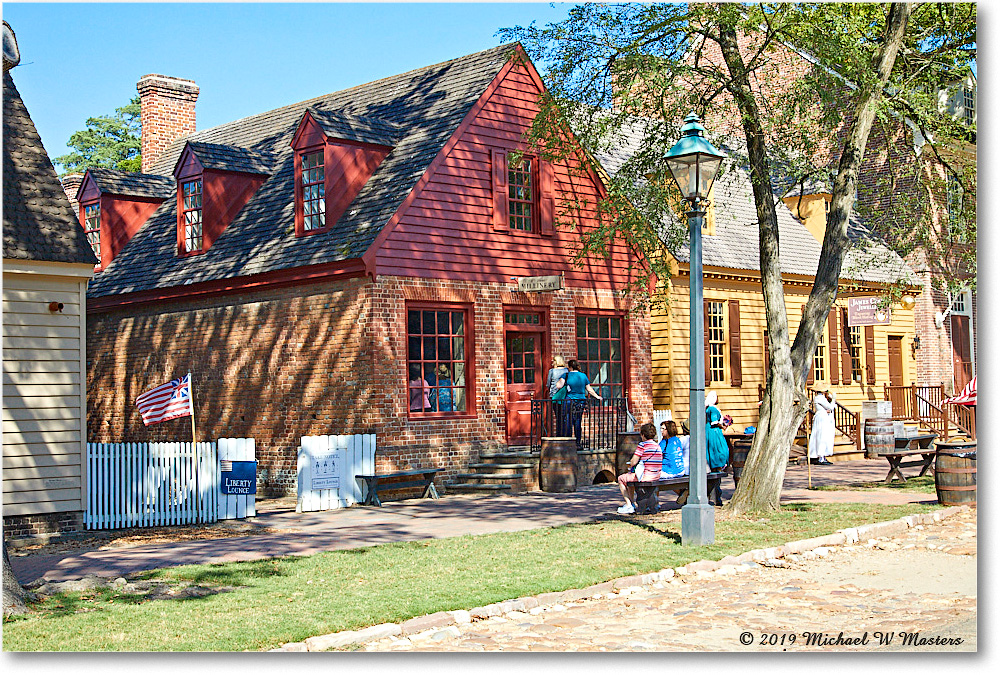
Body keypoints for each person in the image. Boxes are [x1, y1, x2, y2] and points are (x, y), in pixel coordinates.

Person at [617, 422, 662, 514]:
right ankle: (633, 503)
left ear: (643, 434)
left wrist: (631, 464)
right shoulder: (657, 446)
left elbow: (633, 462)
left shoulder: (642, 445)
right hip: (656, 475)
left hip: (645, 476)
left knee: (621, 479)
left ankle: (629, 504)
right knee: (630, 478)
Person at [556, 359, 602, 449]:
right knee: (578, 422)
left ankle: (569, 442)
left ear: (569, 367)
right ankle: (577, 443)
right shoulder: (583, 376)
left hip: (569, 401)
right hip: (581, 401)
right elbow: (589, 389)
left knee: (568, 422)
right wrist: (597, 396)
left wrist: (562, 379)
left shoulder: (566, 375)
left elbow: (558, 385)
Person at [808, 389, 836, 465]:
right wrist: (833, 400)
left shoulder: (822, 398)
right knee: (821, 436)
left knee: (823, 436)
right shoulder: (819, 398)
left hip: (823, 417)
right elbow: (830, 407)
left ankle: (822, 456)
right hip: (821, 419)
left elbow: (827, 408)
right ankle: (820, 457)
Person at [705, 390, 729, 472]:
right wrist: (722, 426)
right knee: (718, 449)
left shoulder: (708, 408)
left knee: (711, 449)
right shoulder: (713, 409)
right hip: (714, 432)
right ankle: (717, 466)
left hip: (709, 430)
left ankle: (714, 466)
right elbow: (714, 422)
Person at [546, 356, 569, 435]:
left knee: (558, 416)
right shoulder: (566, 371)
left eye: (553, 361)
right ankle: (565, 434)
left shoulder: (552, 371)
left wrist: (549, 389)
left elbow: (548, 383)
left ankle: (559, 434)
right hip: (564, 396)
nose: (552, 363)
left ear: (556, 362)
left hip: (554, 396)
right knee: (564, 416)